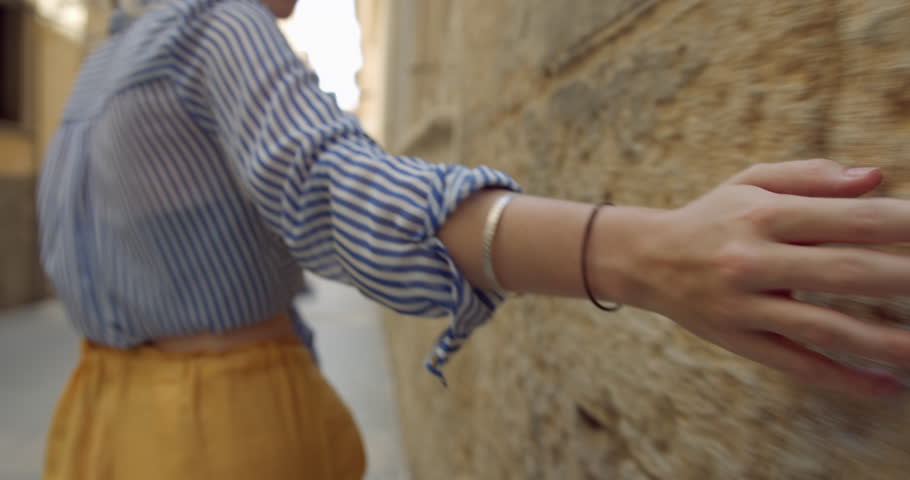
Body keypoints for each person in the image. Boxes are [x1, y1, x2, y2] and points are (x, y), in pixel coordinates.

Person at [36, 0, 910, 478]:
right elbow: (332, 187)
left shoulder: (103, 66)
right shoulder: (218, 24)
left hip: (90, 424)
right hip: (220, 437)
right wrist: (644, 253)